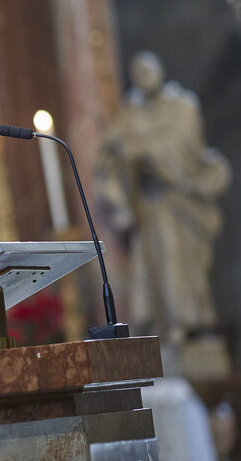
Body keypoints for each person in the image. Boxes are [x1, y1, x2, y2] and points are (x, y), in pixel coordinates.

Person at [97, 51, 231, 342]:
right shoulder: (130, 113)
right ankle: (169, 325)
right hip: (151, 203)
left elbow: (188, 147)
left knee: (184, 264)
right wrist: (125, 172)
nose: (144, 78)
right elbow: (110, 153)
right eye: (138, 74)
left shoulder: (183, 106)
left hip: (181, 197)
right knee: (159, 264)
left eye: (148, 71)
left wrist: (146, 153)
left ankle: (190, 320)